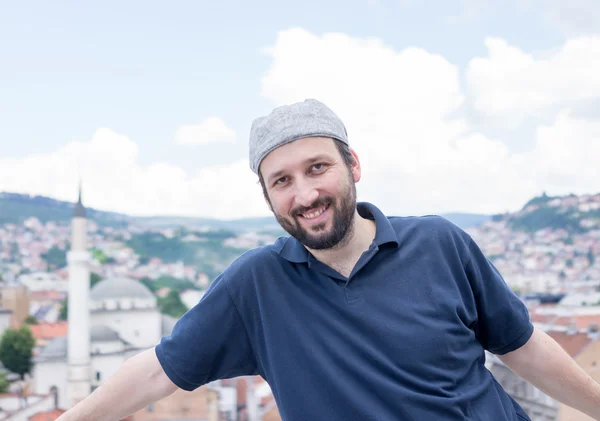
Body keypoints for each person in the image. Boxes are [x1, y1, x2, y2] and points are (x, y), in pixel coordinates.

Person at [58, 99, 600, 421]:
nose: (304, 194)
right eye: (282, 181)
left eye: (317, 168)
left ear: (353, 165)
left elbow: (523, 347)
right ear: (268, 197)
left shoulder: (440, 242)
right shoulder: (256, 286)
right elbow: (157, 371)